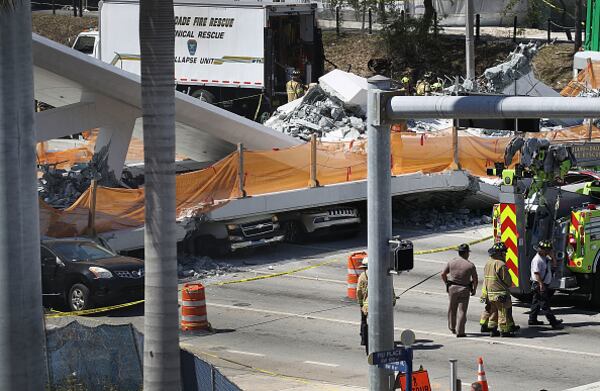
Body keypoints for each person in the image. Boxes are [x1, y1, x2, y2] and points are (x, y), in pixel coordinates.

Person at [479, 242, 520, 337]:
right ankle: (504, 331)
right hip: (500, 294)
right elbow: (508, 281)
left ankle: (493, 330)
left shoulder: (488, 263)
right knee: (503, 313)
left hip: (490, 294)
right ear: (500, 253)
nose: (505, 255)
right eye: (504, 253)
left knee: (493, 312)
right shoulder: (501, 264)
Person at [441, 243, 478, 338]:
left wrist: (446, 283)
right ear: (466, 253)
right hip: (464, 289)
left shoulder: (451, 262)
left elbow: (443, 274)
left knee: (452, 309)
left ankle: (452, 327)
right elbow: (475, 279)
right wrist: (474, 289)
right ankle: (460, 332)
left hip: (452, 288)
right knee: (462, 311)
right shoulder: (470, 265)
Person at [529, 240, 563, 329]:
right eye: (547, 250)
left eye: (549, 250)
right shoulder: (537, 260)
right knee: (545, 304)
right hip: (539, 284)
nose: (548, 251)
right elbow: (536, 274)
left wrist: (553, 257)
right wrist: (541, 285)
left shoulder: (545, 258)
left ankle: (532, 320)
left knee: (536, 303)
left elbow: (554, 266)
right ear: (541, 250)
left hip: (543, 284)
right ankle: (553, 322)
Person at [356, 257, 369, 354]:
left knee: (364, 321)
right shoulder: (380, 275)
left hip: (366, 306)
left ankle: (364, 339)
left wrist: (361, 303)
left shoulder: (362, 276)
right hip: (379, 306)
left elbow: (358, 292)